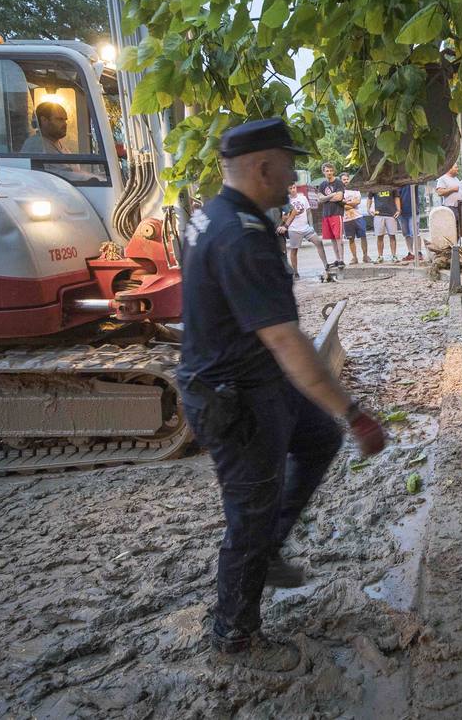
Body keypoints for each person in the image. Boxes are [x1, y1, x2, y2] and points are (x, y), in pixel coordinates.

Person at [176, 118, 386, 675]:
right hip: (235, 397)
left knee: (316, 439)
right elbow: (288, 341)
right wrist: (355, 412)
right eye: (288, 164)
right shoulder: (243, 237)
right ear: (262, 166)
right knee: (249, 513)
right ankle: (235, 637)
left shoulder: (209, 216)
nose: (295, 176)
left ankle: (268, 549)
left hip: (250, 380)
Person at [276, 184, 328, 279]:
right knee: (294, 250)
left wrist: (311, 225)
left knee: (319, 242)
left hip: (306, 227)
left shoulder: (303, 198)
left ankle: (326, 265)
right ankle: (295, 272)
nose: (293, 190)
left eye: (294, 187)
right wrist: (284, 224)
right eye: (290, 188)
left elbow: (308, 212)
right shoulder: (286, 201)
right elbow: (284, 217)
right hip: (293, 229)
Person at [314, 163, 346, 267]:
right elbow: (319, 199)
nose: (329, 172)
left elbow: (339, 198)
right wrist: (332, 195)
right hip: (326, 214)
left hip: (336, 213)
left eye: (331, 170)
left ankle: (341, 259)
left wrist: (326, 197)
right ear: (323, 172)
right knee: (332, 238)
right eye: (327, 171)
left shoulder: (338, 183)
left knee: (338, 238)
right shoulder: (322, 184)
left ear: (334, 171)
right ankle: (337, 259)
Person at [340, 172, 368, 264]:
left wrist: (346, 203)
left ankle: (365, 256)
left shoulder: (355, 190)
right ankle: (354, 258)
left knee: (363, 236)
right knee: (351, 239)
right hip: (347, 219)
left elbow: (358, 201)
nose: (346, 181)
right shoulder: (339, 192)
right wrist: (351, 204)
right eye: (344, 179)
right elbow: (341, 206)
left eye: (347, 179)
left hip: (358, 216)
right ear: (341, 181)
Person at [369, 186, 402, 262]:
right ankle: (380, 256)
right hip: (378, 214)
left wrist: (398, 210)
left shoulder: (391, 185)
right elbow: (370, 197)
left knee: (392, 235)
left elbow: (397, 197)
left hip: (391, 214)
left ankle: (394, 256)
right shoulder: (374, 185)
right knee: (379, 236)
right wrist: (369, 209)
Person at [435, 162, 462, 237]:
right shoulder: (443, 178)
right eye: (456, 167)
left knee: (459, 228)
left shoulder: (456, 178)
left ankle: (455, 245)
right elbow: (439, 192)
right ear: (449, 168)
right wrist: (453, 189)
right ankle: (450, 246)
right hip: (450, 208)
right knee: (452, 228)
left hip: (459, 207)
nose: (458, 169)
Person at [398, 183, 425, 262]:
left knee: (415, 232)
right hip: (402, 213)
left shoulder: (412, 182)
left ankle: (419, 252)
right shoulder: (397, 184)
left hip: (413, 211)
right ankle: (411, 252)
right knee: (406, 234)